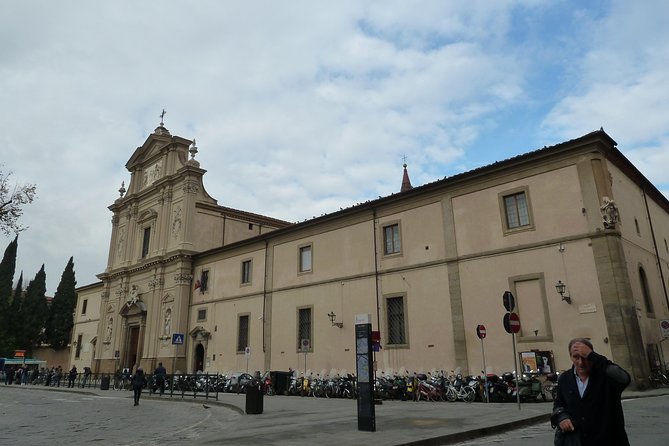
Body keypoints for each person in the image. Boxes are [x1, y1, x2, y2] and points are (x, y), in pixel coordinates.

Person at [551, 338, 630, 445]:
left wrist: (594, 357)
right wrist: (562, 417)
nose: (581, 362)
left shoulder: (605, 376)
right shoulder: (565, 379)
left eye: (584, 357)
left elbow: (624, 378)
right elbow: (559, 404)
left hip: (609, 440)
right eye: (576, 357)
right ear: (570, 357)